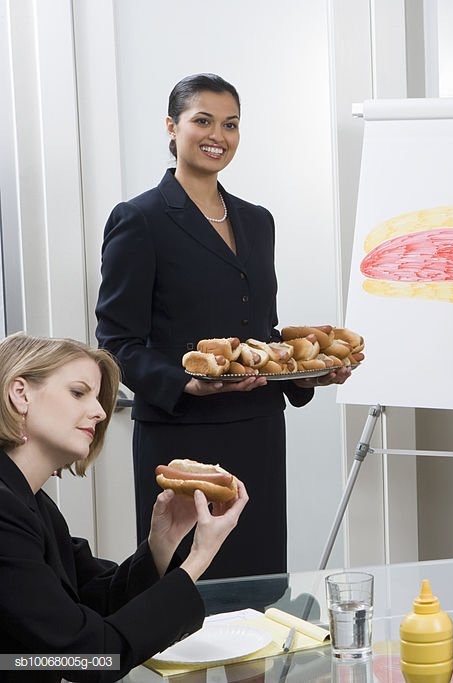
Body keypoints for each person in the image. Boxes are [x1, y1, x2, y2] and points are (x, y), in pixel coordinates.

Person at [95, 73, 348, 580]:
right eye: (203, 121)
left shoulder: (257, 221)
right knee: (184, 591)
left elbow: (261, 330)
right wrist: (183, 381)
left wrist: (304, 373)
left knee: (258, 588)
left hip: (258, 430)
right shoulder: (140, 218)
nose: (218, 135)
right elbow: (116, 342)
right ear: (172, 127)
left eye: (230, 124)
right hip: (183, 438)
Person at [0, 334, 247, 681]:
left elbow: (90, 602)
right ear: (20, 393)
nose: (100, 412)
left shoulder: (33, 503)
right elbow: (90, 658)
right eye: (78, 392)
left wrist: (162, 544)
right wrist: (196, 560)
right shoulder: (6, 511)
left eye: (97, 397)